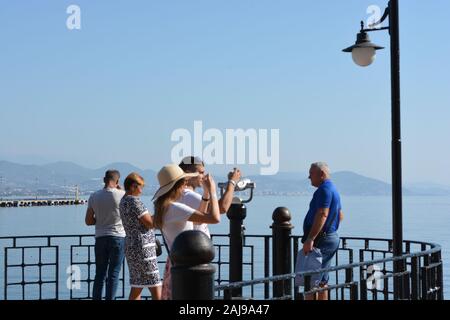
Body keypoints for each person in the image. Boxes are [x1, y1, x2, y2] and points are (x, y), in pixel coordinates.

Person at [153, 164, 221, 300]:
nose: (185, 183)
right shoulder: (175, 208)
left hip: (175, 263)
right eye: (183, 181)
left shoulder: (163, 207)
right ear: (178, 185)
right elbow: (214, 218)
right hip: (188, 267)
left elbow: (198, 221)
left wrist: (205, 194)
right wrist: (213, 191)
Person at [302, 162, 344, 300]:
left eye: (311, 173)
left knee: (310, 282)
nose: (309, 177)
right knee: (322, 282)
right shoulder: (333, 189)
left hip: (322, 240)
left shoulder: (324, 190)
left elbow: (322, 214)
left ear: (322, 174)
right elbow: (340, 215)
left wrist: (310, 238)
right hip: (329, 238)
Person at [119, 172, 162, 300]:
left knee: (137, 285)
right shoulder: (135, 202)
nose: (141, 190)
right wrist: (161, 213)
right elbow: (149, 223)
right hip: (144, 248)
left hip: (131, 246)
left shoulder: (123, 201)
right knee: (155, 285)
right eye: (140, 187)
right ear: (133, 186)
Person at [85, 170, 126, 300]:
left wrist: (102, 220)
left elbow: (88, 221)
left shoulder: (94, 196)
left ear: (104, 179)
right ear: (118, 181)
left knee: (100, 274)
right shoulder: (122, 195)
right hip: (118, 237)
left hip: (100, 238)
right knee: (113, 274)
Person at [178, 156, 241, 237]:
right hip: (198, 246)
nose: (204, 176)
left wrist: (206, 192)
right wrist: (232, 182)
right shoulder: (188, 196)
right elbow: (221, 208)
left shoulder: (180, 195)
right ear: (188, 174)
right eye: (201, 173)